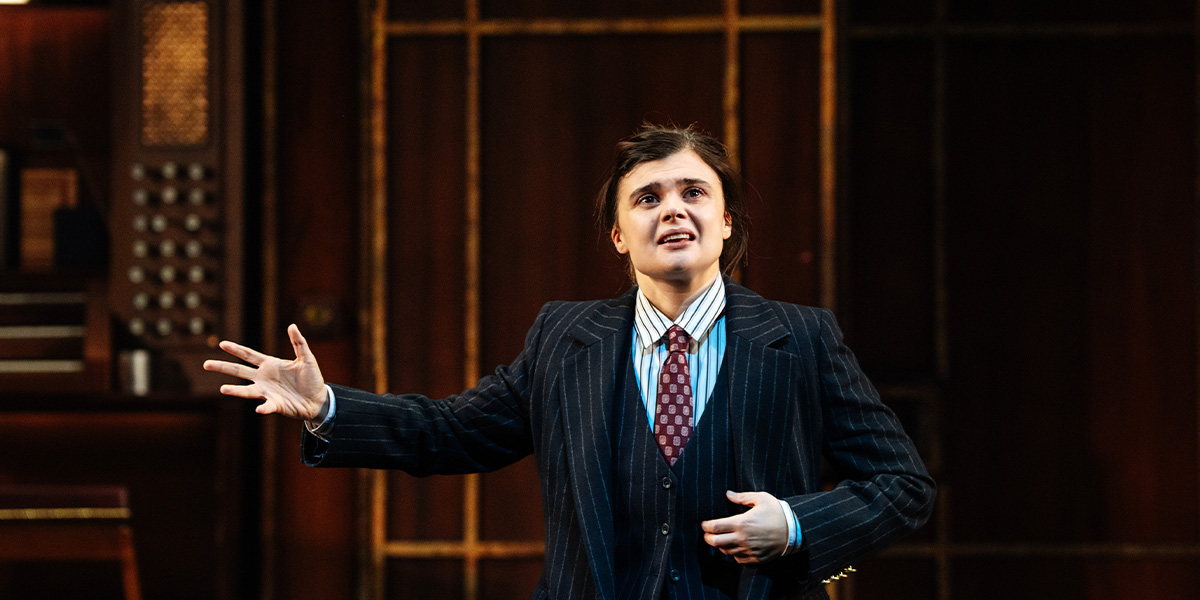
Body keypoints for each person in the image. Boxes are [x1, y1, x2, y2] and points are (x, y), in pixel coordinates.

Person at [204, 124, 935, 600]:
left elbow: (903, 485)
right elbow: (450, 432)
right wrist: (329, 406)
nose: (672, 209)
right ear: (620, 235)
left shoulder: (802, 339)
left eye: (694, 193)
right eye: (647, 198)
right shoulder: (564, 339)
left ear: (726, 223)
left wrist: (798, 525)